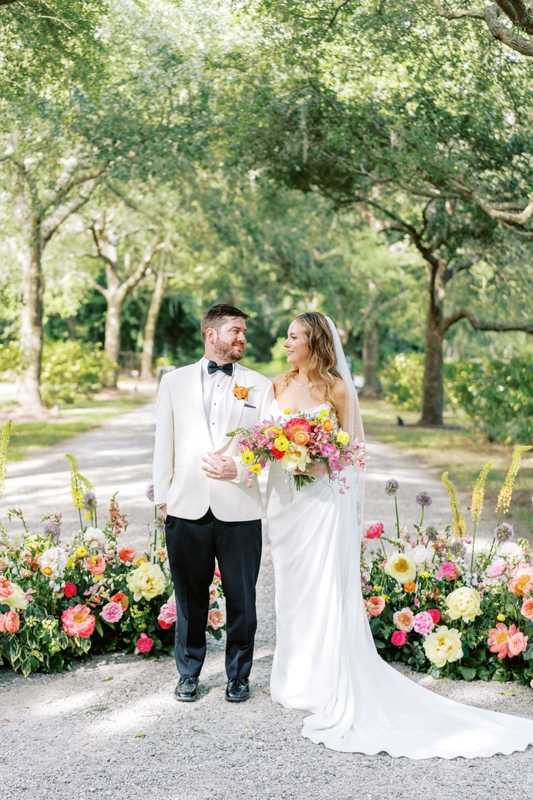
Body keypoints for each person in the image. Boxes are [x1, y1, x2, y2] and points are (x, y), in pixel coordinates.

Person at [266, 311, 533, 758]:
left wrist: (314, 460)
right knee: (291, 587)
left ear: (314, 342)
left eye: (294, 336)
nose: (285, 342)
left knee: (324, 587)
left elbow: (351, 450)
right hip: (287, 506)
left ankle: (325, 680)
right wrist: (284, 453)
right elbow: (265, 438)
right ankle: (293, 677)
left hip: (322, 504)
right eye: (287, 336)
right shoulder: (276, 384)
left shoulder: (337, 389)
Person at [153, 303, 273, 703]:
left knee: (243, 598)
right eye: (235, 331)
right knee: (189, 598)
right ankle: (188, 673)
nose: (242, 338)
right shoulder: (173, 382)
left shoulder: (260, 385)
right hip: (186, 509)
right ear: (211, 335)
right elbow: (162, 444)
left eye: (243, 332)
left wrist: (238, 469)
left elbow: (271, 449)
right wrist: (163, 500)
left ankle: (238, 676)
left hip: (239, 506)